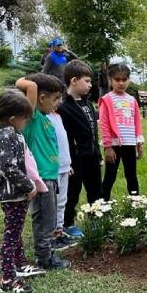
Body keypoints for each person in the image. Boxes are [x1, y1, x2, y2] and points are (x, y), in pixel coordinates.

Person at [0, 90, 45, 293]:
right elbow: (8, 167)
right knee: (11, 235)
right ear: (13, 118)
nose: (26, 122)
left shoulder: (9, 133)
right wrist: (29, 186)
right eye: (25, 118)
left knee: (16, 231)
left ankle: (19, 264)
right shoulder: (7, 136)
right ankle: (8, 280)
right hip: (13, 195)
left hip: (15, 195)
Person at [15, 74, 70, 270]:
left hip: (50, 177)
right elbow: (29, 85)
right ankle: (44, 257)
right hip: (41, 179)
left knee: (49, 218)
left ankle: (45, 253)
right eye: (55, 98)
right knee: (45, 220)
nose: (59, 102)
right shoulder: (32, 117)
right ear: (41, 97)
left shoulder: (46, 118)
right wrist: (31, 80)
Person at [57, 60, 102, 238]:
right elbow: (65, 138)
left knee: (95, 190)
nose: (90, 85)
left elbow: (93, 132)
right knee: (72, 193)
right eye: (87, 81)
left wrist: (97, 153)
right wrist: (68, 161)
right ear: (74, 81)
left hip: (92, 156)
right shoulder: (63, 108)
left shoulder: (87, 103)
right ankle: (67, 223)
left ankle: (96, 219)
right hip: (75, 160)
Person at [100, 63, 144, 200]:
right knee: (110, 176)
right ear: (110, 80)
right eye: (117, 79)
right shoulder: (106, 100)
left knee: (131, 176)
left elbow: (137, 122)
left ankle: (136, 203)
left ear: (129, 80)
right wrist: (108, 146)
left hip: (130, 144)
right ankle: (103, 204)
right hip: (113, 146)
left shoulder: (132, 100)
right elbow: (104, 124)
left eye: (124, 79)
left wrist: (139, 142)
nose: (121, 83)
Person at [47, 107, 76, 251]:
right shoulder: (42, 118)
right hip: (53, 169)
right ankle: (51, 236)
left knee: (62, 201)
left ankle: (59, 231)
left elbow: (63, 143)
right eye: (55, 98)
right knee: (53, 203)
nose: (58, 102)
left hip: (64, 166)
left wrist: (67, 164)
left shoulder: (57, 116)